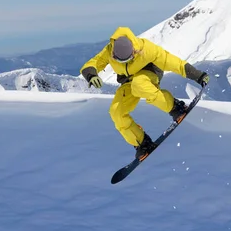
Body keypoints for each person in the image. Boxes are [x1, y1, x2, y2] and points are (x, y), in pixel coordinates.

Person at [80, 26, 209, 161]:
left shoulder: (146, 49)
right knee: (116, 112)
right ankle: (142, 142)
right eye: (119, 61)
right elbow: (92, 63)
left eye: (129, 59)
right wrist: (91, 75)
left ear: (133, 51)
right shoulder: (109, 50)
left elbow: (171, 62)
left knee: (139, 85)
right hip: (128, 81)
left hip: (149, 73)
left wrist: (198, 75)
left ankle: (176, 107)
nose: (124, 63)